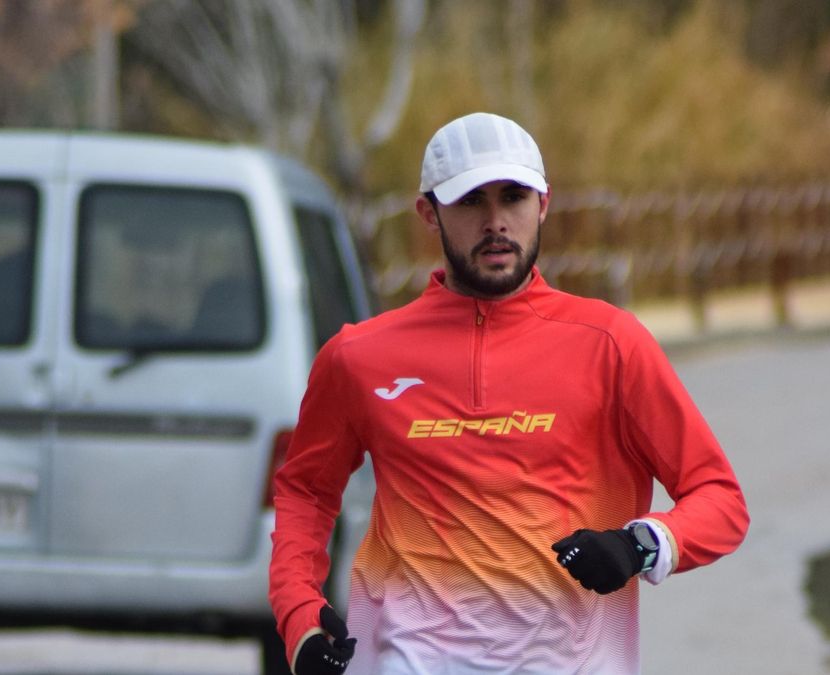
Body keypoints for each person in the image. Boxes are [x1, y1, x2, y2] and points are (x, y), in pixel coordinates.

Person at [268, 112, 749, 674]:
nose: (496, 221)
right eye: (471, 201)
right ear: (429, 213)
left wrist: (640, 545)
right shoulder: (359, 357)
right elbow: (304, 492)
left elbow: (720, 500)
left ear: (543, 204)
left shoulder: (611, 344)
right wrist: (300, 614)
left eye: (513, 197)